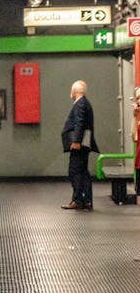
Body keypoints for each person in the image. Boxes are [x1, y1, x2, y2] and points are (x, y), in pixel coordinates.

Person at [60, 79, 99, 210]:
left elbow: (79, 123)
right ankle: (86, 200)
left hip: (80, 144)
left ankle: (77, 200)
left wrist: (76, 141)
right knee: (83, 172)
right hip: (84, 144)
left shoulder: (80, 104)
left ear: (75, 91)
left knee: (74, 171)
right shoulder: (85, 103)